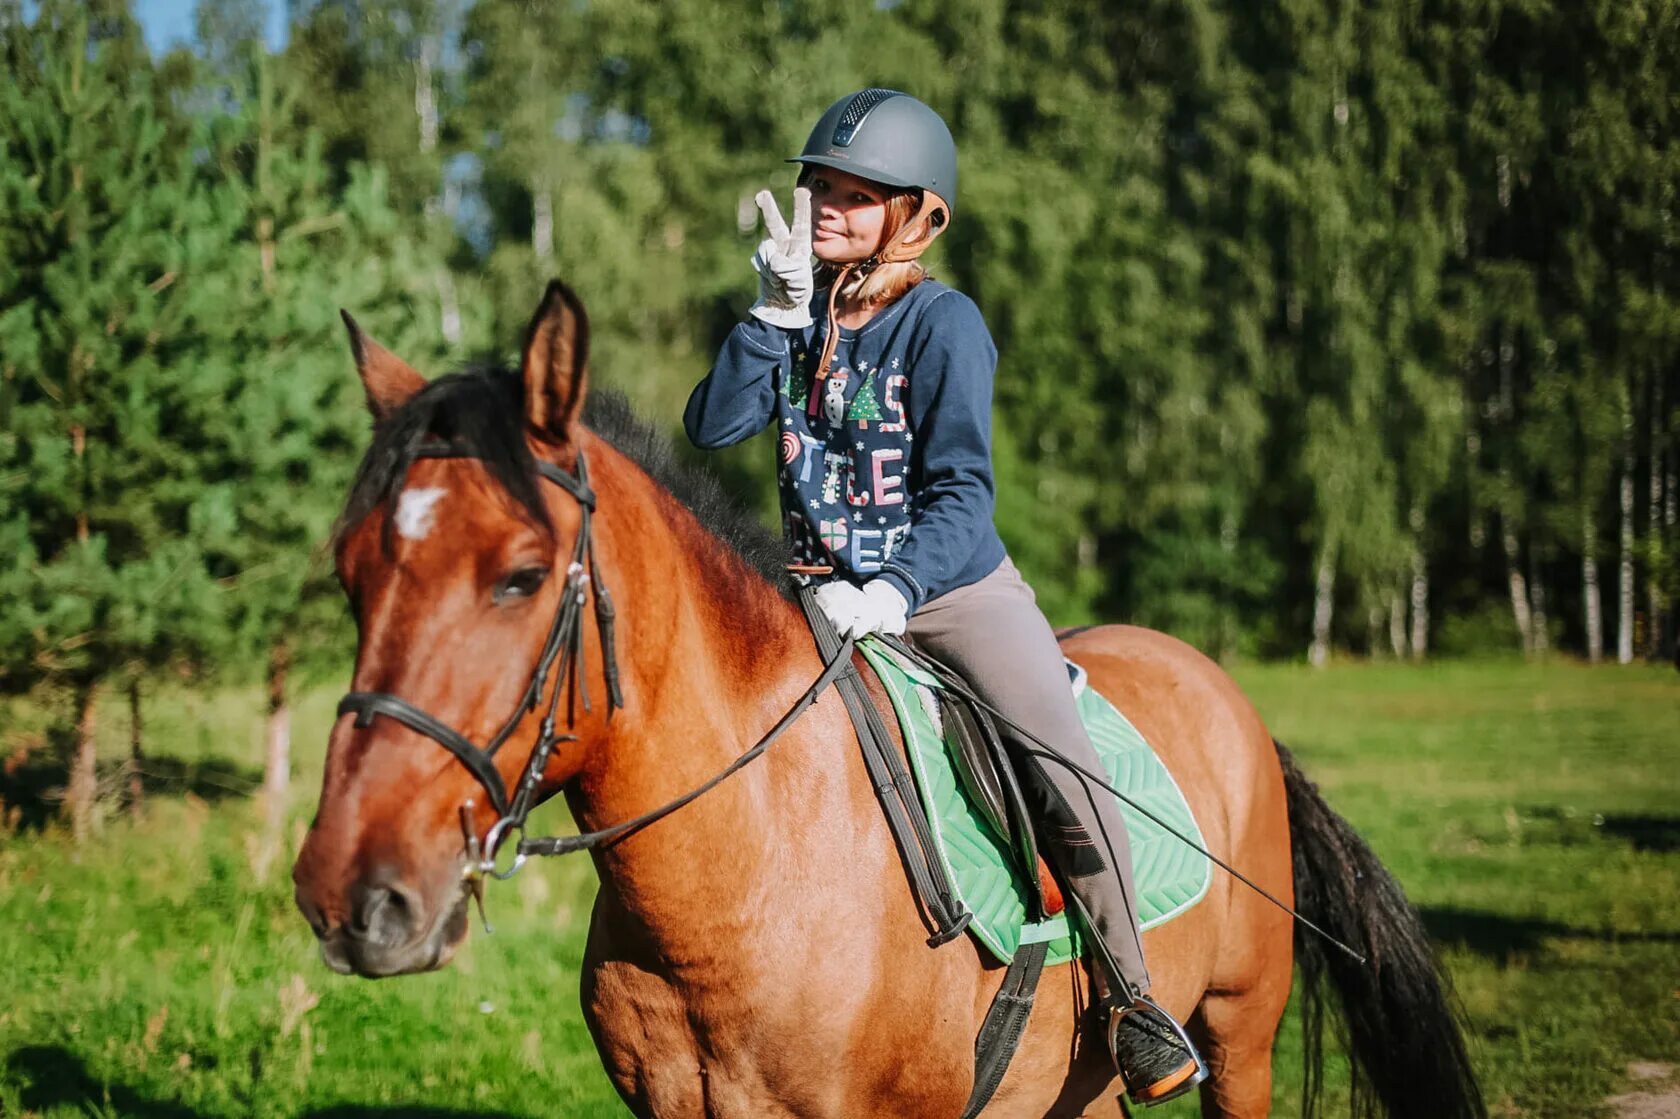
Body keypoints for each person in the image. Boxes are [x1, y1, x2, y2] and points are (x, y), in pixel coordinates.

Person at [683, 88, 1206, 1106]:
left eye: (855, 194)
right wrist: (770, 315)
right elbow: (713, 429)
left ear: (916, 214)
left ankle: (1134, 999)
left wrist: (894, 588)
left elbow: (964, 493)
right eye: (819, 187)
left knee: (1061, 757)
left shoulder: (943, 322)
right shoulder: (796, 317)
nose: (826, 206)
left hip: (948, 591)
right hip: (809, 599)